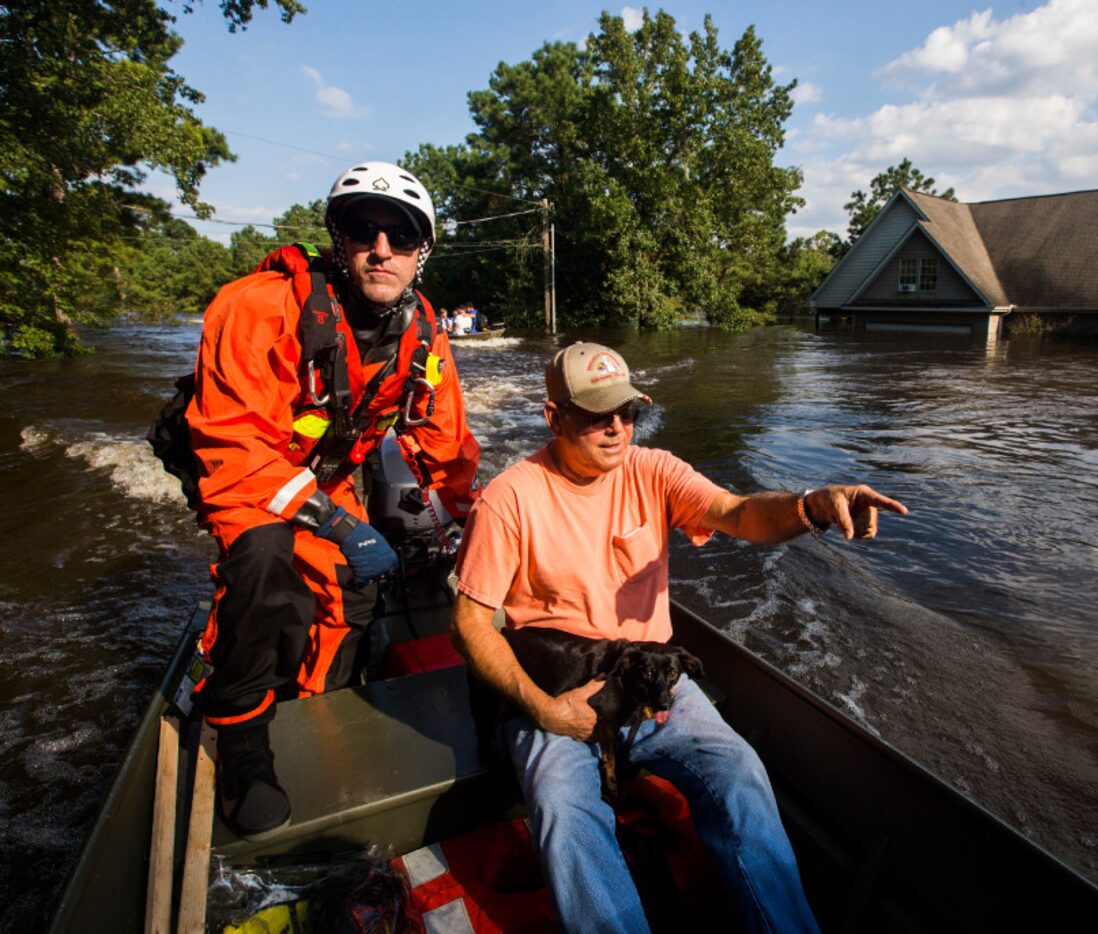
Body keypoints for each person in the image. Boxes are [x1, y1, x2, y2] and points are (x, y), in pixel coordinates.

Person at [451, 342, 908, 932]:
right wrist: (543, 709)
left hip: (650, 681)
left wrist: (810, 507)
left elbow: (738, 511)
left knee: (738, 769)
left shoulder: (654, 469)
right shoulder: (510, 498)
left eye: (627, 411)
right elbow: (468, 624)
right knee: (563, 807)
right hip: (557, 687)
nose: (617, 428)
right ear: (554, 416)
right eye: (596, 414)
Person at [184, 161, 481, 839]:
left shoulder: (424, 331)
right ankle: (241, 740)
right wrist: (338, 523)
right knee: (263, 562)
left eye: (400, 236)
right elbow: (231, 443)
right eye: (363, 230)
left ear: (421, 253)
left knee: (351, 591)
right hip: (245, 467)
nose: (382, 249)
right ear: (337, 239)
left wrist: (478, 520)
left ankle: (325, 703)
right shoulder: (258, 304)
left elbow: (444, 441)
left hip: (325, 471)